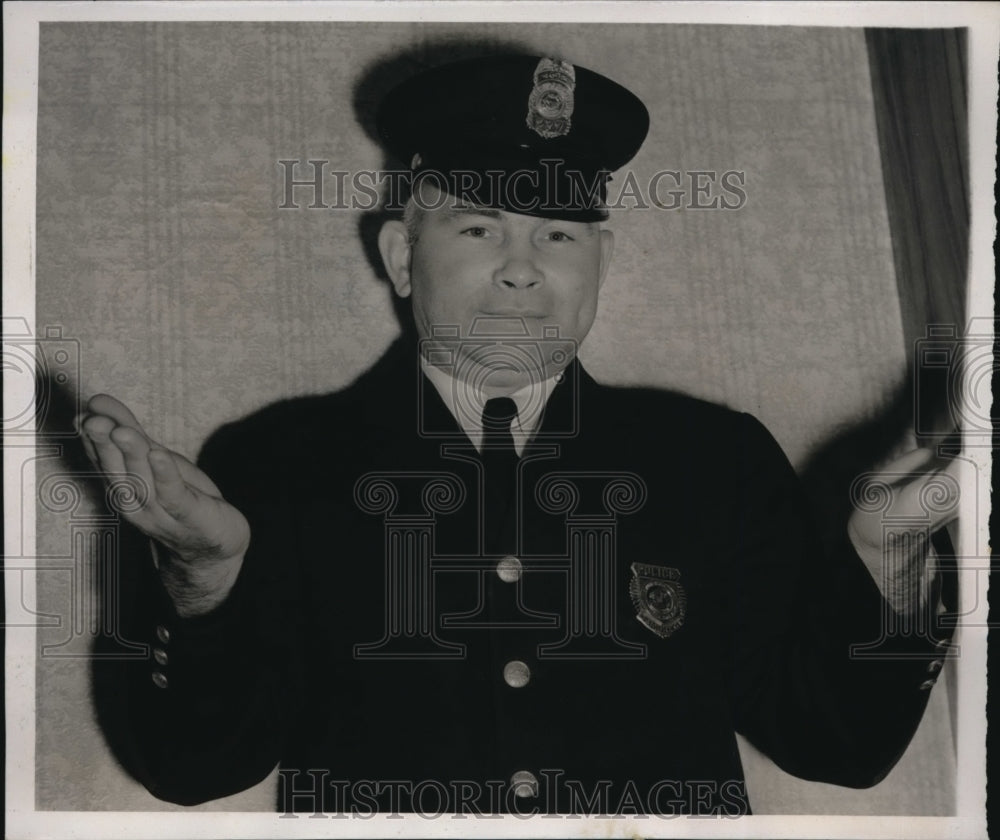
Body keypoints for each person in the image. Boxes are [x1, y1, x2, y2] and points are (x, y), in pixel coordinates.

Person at [81, 54, 958, 816]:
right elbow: (195, 768)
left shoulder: (712, 461)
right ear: (397, 255)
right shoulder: (278, 463)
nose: (522, 265)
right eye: (477, 227)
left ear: (599, 262)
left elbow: (836, 747)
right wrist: (202, 584)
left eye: (558, 233)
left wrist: (886, 560)